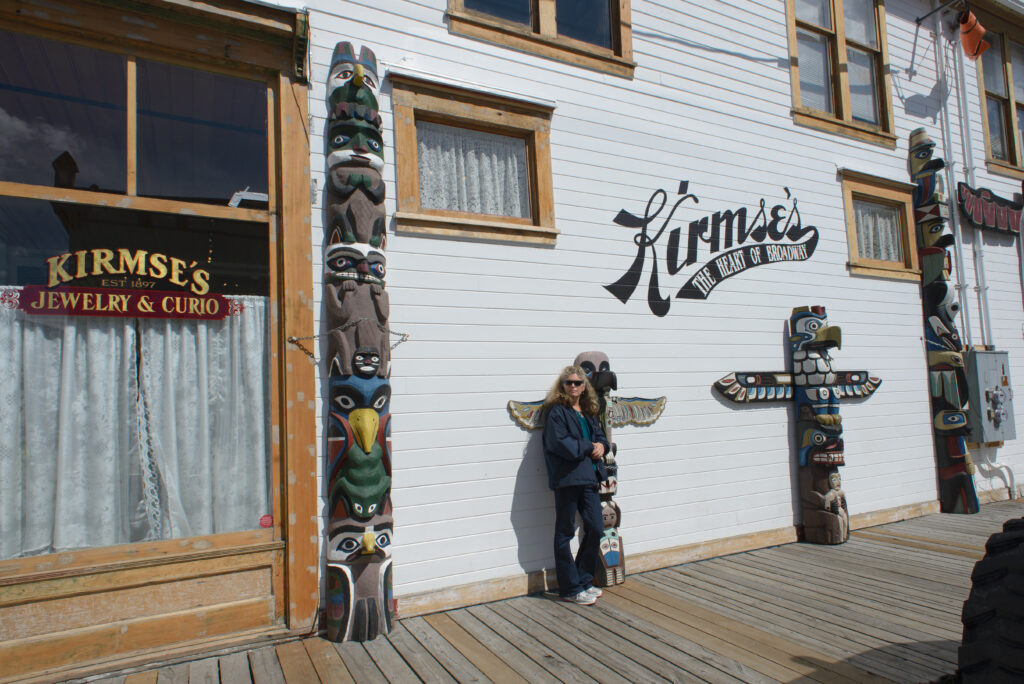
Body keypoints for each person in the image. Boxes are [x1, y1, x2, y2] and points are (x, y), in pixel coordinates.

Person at [541, 365, 611, 605]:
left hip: (590, 478)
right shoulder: (556, 413)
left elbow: (600, 437)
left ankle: (583, 580)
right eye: (568, 382)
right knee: (564, 533)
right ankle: (570, 589)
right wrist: (590, 446)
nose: (573, 386)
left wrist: (602, 446)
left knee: (596, 529)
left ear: (584, 387)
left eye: (577, 383)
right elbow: (561, 443)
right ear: (562, 386)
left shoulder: (589, 411)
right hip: (568, 479)